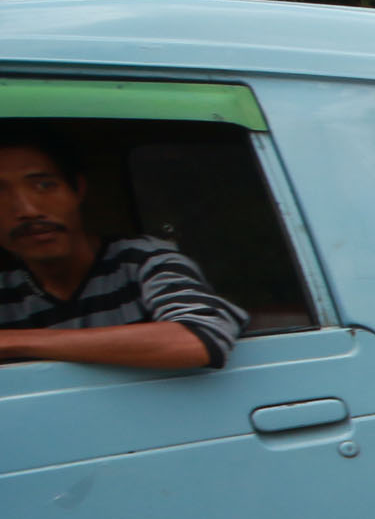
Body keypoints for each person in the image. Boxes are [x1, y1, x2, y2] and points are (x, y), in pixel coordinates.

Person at [0, 125, 248, 369]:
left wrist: (14, 341)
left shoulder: (142, 260)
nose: (28, 210)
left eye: (44, 185)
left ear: (78, 189)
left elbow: (199, 339)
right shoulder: (6, 291)